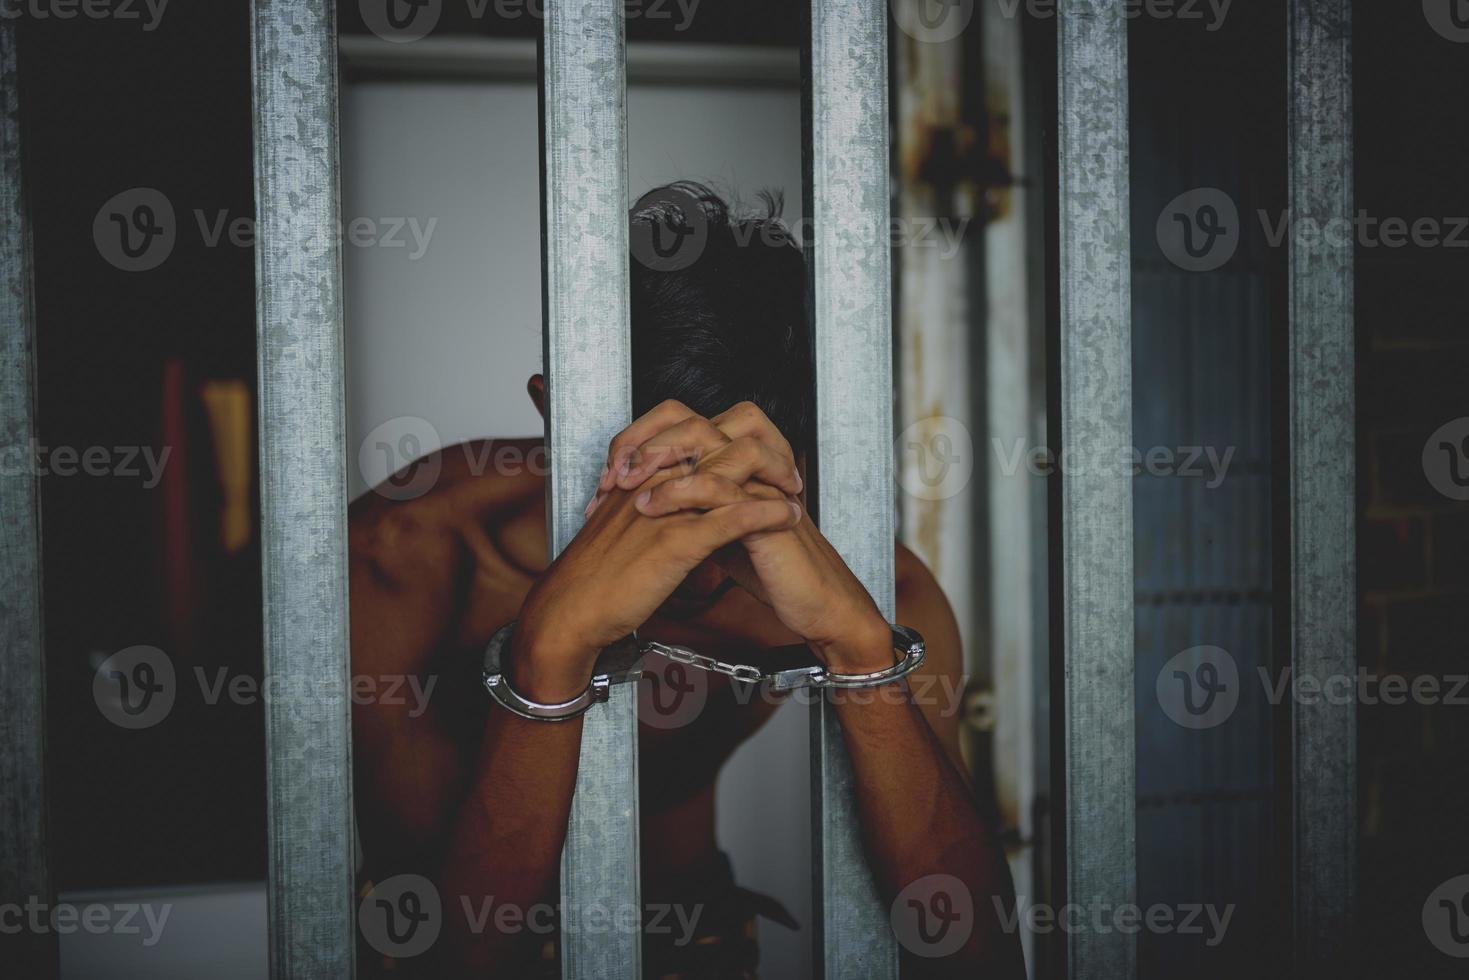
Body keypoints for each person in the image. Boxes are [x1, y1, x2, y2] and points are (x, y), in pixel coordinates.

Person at [348, 183, 1023, 978]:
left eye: (747, 485)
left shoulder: (873, 592)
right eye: (660, 482)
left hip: (699, 939)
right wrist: (551, 648)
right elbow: (449, 954)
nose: (697, 554)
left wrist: (859, 654)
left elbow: (979, 956)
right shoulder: (415, 552)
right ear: (554, 413)